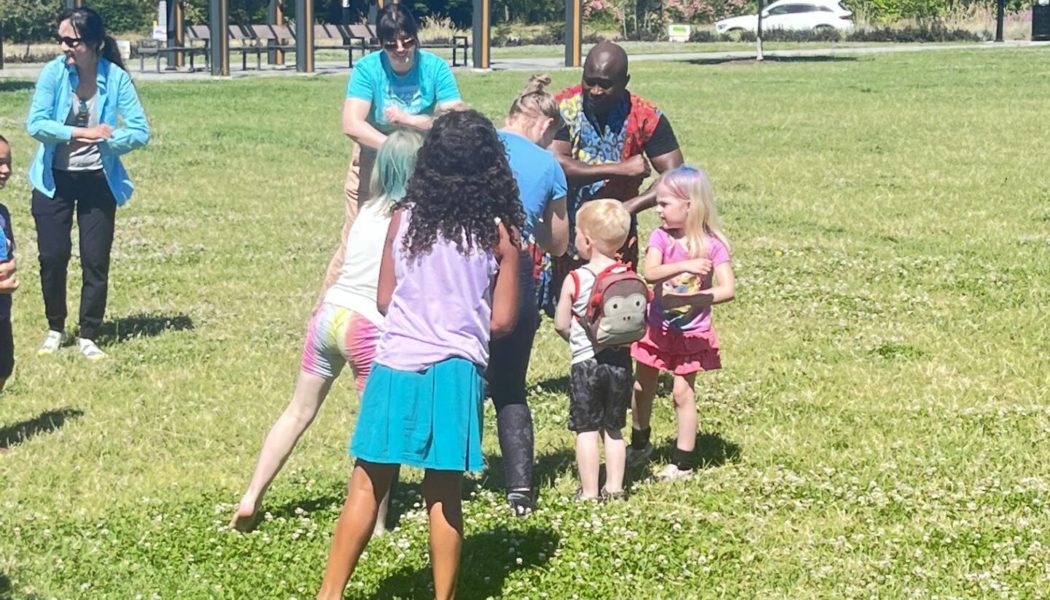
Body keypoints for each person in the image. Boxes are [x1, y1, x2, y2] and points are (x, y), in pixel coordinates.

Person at [316, 110, 523, 600]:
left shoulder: (403, 219)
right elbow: (503, 321)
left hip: (394, 363)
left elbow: (385, 299)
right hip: (454, 369)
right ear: (491, 167)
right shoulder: (499, 235)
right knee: (444, 494)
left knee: (367, 485)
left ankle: (329, 594)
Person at [229, 131, 423, 533]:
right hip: (368, 326)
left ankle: (251, 495)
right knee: (381, 429)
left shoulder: (368, 211)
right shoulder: (412, 217)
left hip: (330, 314)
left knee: (297, 411)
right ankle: (377, 521)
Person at [26, 7, 150, 360]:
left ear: (94, 43)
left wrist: (105, 141)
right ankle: (55, 326)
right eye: (61, 39)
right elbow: (36, 125)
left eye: (72, 40)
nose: (64, 47)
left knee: (96, 260)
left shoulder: (115, 79)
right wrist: (82, 132)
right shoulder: (53, 73)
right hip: (54, 181)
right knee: (53, 256)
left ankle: (89, 332)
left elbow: (141, 131)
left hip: (98, 180)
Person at [322, 2, 465, 294]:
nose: (401, 49)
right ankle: (324, 315)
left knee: (420, 239)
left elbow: (453, 116)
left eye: (408, 41)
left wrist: (412, 121)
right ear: (381, 44)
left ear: (416, 38)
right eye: (391, 44)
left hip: (422, 166)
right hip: (373, 165)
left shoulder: (435, 67)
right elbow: (352, 122)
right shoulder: (368, 69)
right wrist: (394, 148)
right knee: (354, 242)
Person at [545, 41, 684, 311]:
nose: (595, 91)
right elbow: (556, 165)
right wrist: (619, 168)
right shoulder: (561, 108)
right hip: (565, 229)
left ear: (624, 82)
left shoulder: (645, 116)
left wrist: (630, 207)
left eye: (605, 84)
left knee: (616, 313)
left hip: (618, 235)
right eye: (589, 81)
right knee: (565, 313)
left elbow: (677, 175)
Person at [489, 74, 569, 516]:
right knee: (510, 387)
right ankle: (520, 489)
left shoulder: (477, 146)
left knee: (460, 380)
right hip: (514, 277)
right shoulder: (548, 165)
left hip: (460, 275)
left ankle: (445, 478)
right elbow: (558, 242)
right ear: (543, 126)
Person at [629, 166, 735, 480]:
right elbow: (650, 273)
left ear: (689, 204)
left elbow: (727, 289)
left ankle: (683, 461)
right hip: (657, 328)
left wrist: (694, 299)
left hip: (691, 333)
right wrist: (686, 265)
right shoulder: (661, 237)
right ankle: (640, 443)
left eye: (664, 204)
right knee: (642, 385)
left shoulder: (713, 244)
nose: (657, 210)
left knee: (681, 394)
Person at [553, 199, 632, 501]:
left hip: (586, 363)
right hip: (620, 362)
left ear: (587, 241)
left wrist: (574, 339)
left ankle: (588, 492)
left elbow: (561, 322)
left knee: (586, 430)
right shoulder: (626, 276)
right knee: (613, 429)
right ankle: (615, 488)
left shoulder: (576, 278)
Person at [0, 135, 20, 391]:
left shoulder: (2, 213)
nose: (5, 170)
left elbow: (8, 251)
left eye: (8, 163)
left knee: (4, 366)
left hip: (2, 310)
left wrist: (11, 265)